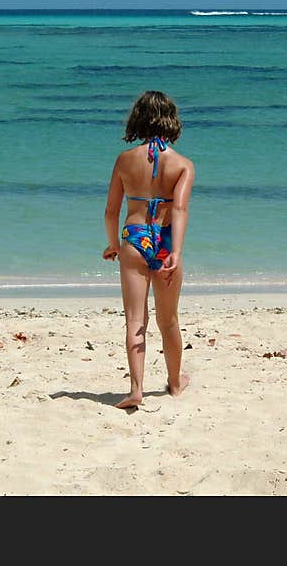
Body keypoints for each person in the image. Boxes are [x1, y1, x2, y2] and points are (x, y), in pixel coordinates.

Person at [102, 91, 195, 409]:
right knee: (168, 320)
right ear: (171, 120)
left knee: (135, 321)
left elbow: (111, 212)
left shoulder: (125, 160)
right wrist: (176, 252)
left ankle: (136, 389)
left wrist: (115, 245)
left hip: (134, 240)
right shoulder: (182, 165)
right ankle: (174, 382)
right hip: (167, 241)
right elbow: (179, 210)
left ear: (138, 119)